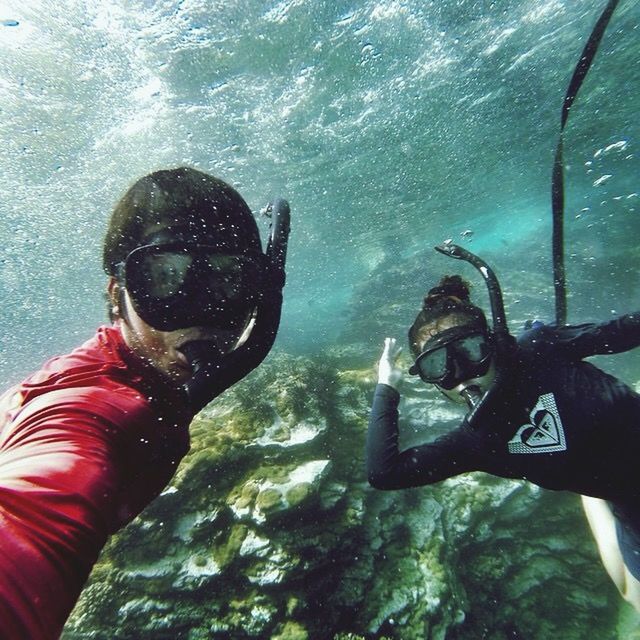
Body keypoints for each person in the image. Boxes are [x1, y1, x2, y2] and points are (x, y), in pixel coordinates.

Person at [0, 166, 290, 639]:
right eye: (165, 280)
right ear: (119, 295)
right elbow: (35, 504)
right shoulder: (92, 409)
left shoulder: (152, 370)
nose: (200, 312)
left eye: (226, 281)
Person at [367, 273, 640, 611]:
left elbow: (627, 330)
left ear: (493, 343)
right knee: (631, 592)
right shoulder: (476, 441)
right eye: (439, 366)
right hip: (629, 503)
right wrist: (387, 386)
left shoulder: (539, 346)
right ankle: (595, 500)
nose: (461, 373)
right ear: (431, 382)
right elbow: (384, 473)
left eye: (469, 351)